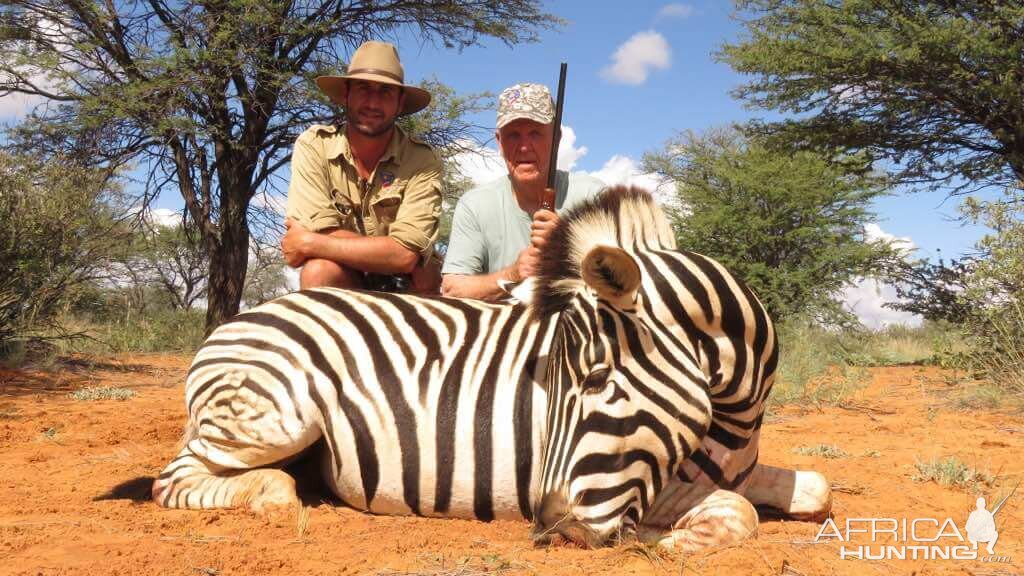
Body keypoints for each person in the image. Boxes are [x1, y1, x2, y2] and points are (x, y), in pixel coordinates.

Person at [282, 40, 443, 294]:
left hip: (408, 285)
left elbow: (405, 255)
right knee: (319, 272)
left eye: (385, 92)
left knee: (425, 276)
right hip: (345, 274)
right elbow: (399, 254)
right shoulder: (314, 145)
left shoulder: (422, 160)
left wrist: (310, 242)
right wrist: (389, 253)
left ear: (400, 103)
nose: (372, 103)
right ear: (346, 94)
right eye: (363, 88)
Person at [441, 83, 606, 300]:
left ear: (556, 137)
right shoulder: (474, 205)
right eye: (513, 135)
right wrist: (514, 273)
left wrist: (569, 243)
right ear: (499, 142)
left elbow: (628, 279)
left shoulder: (593, 197)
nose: (524, 147)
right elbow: (452, 289)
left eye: (536, 133)